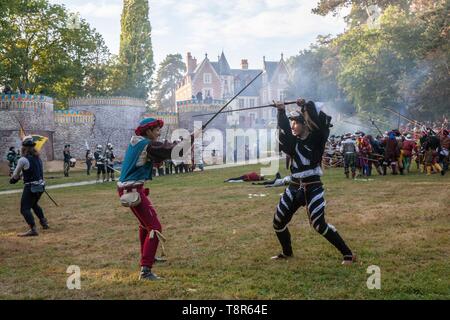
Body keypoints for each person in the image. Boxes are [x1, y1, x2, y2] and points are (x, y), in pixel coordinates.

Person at [272, 99, 355, 265]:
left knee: (318, 224)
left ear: (305, 124)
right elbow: (285, 134)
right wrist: (281, 111)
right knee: (278, 222)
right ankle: (287, 253)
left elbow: (317, 123)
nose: (293, 126)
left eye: (296, 122)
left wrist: (305, 106)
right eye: (292, 123)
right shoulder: (292, 142)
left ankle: (348, 254)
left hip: (313, 187)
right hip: (294, 186)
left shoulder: (317, 139)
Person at [117, 117, 197, 281]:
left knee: (145, 225)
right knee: (154, 227)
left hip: (131, 187)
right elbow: (176, 151)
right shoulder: (148, 144)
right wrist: (194, 136)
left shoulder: (139, 143)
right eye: (157, 130)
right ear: (148, 131)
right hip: (132, 189)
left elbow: (147, 160)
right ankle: (145, 270)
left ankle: (148, 256)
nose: (159, 132)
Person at [9, 136, 49, 236]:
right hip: (41, 186)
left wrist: (13, 179)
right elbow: (32, 172)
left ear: (24, 147)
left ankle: (33, 229)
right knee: (34, 205)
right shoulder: (38, 158)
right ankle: (44, 223)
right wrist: (22, 175)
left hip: (31, 187)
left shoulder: (23, 160)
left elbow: (15, 176)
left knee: (24, 209)